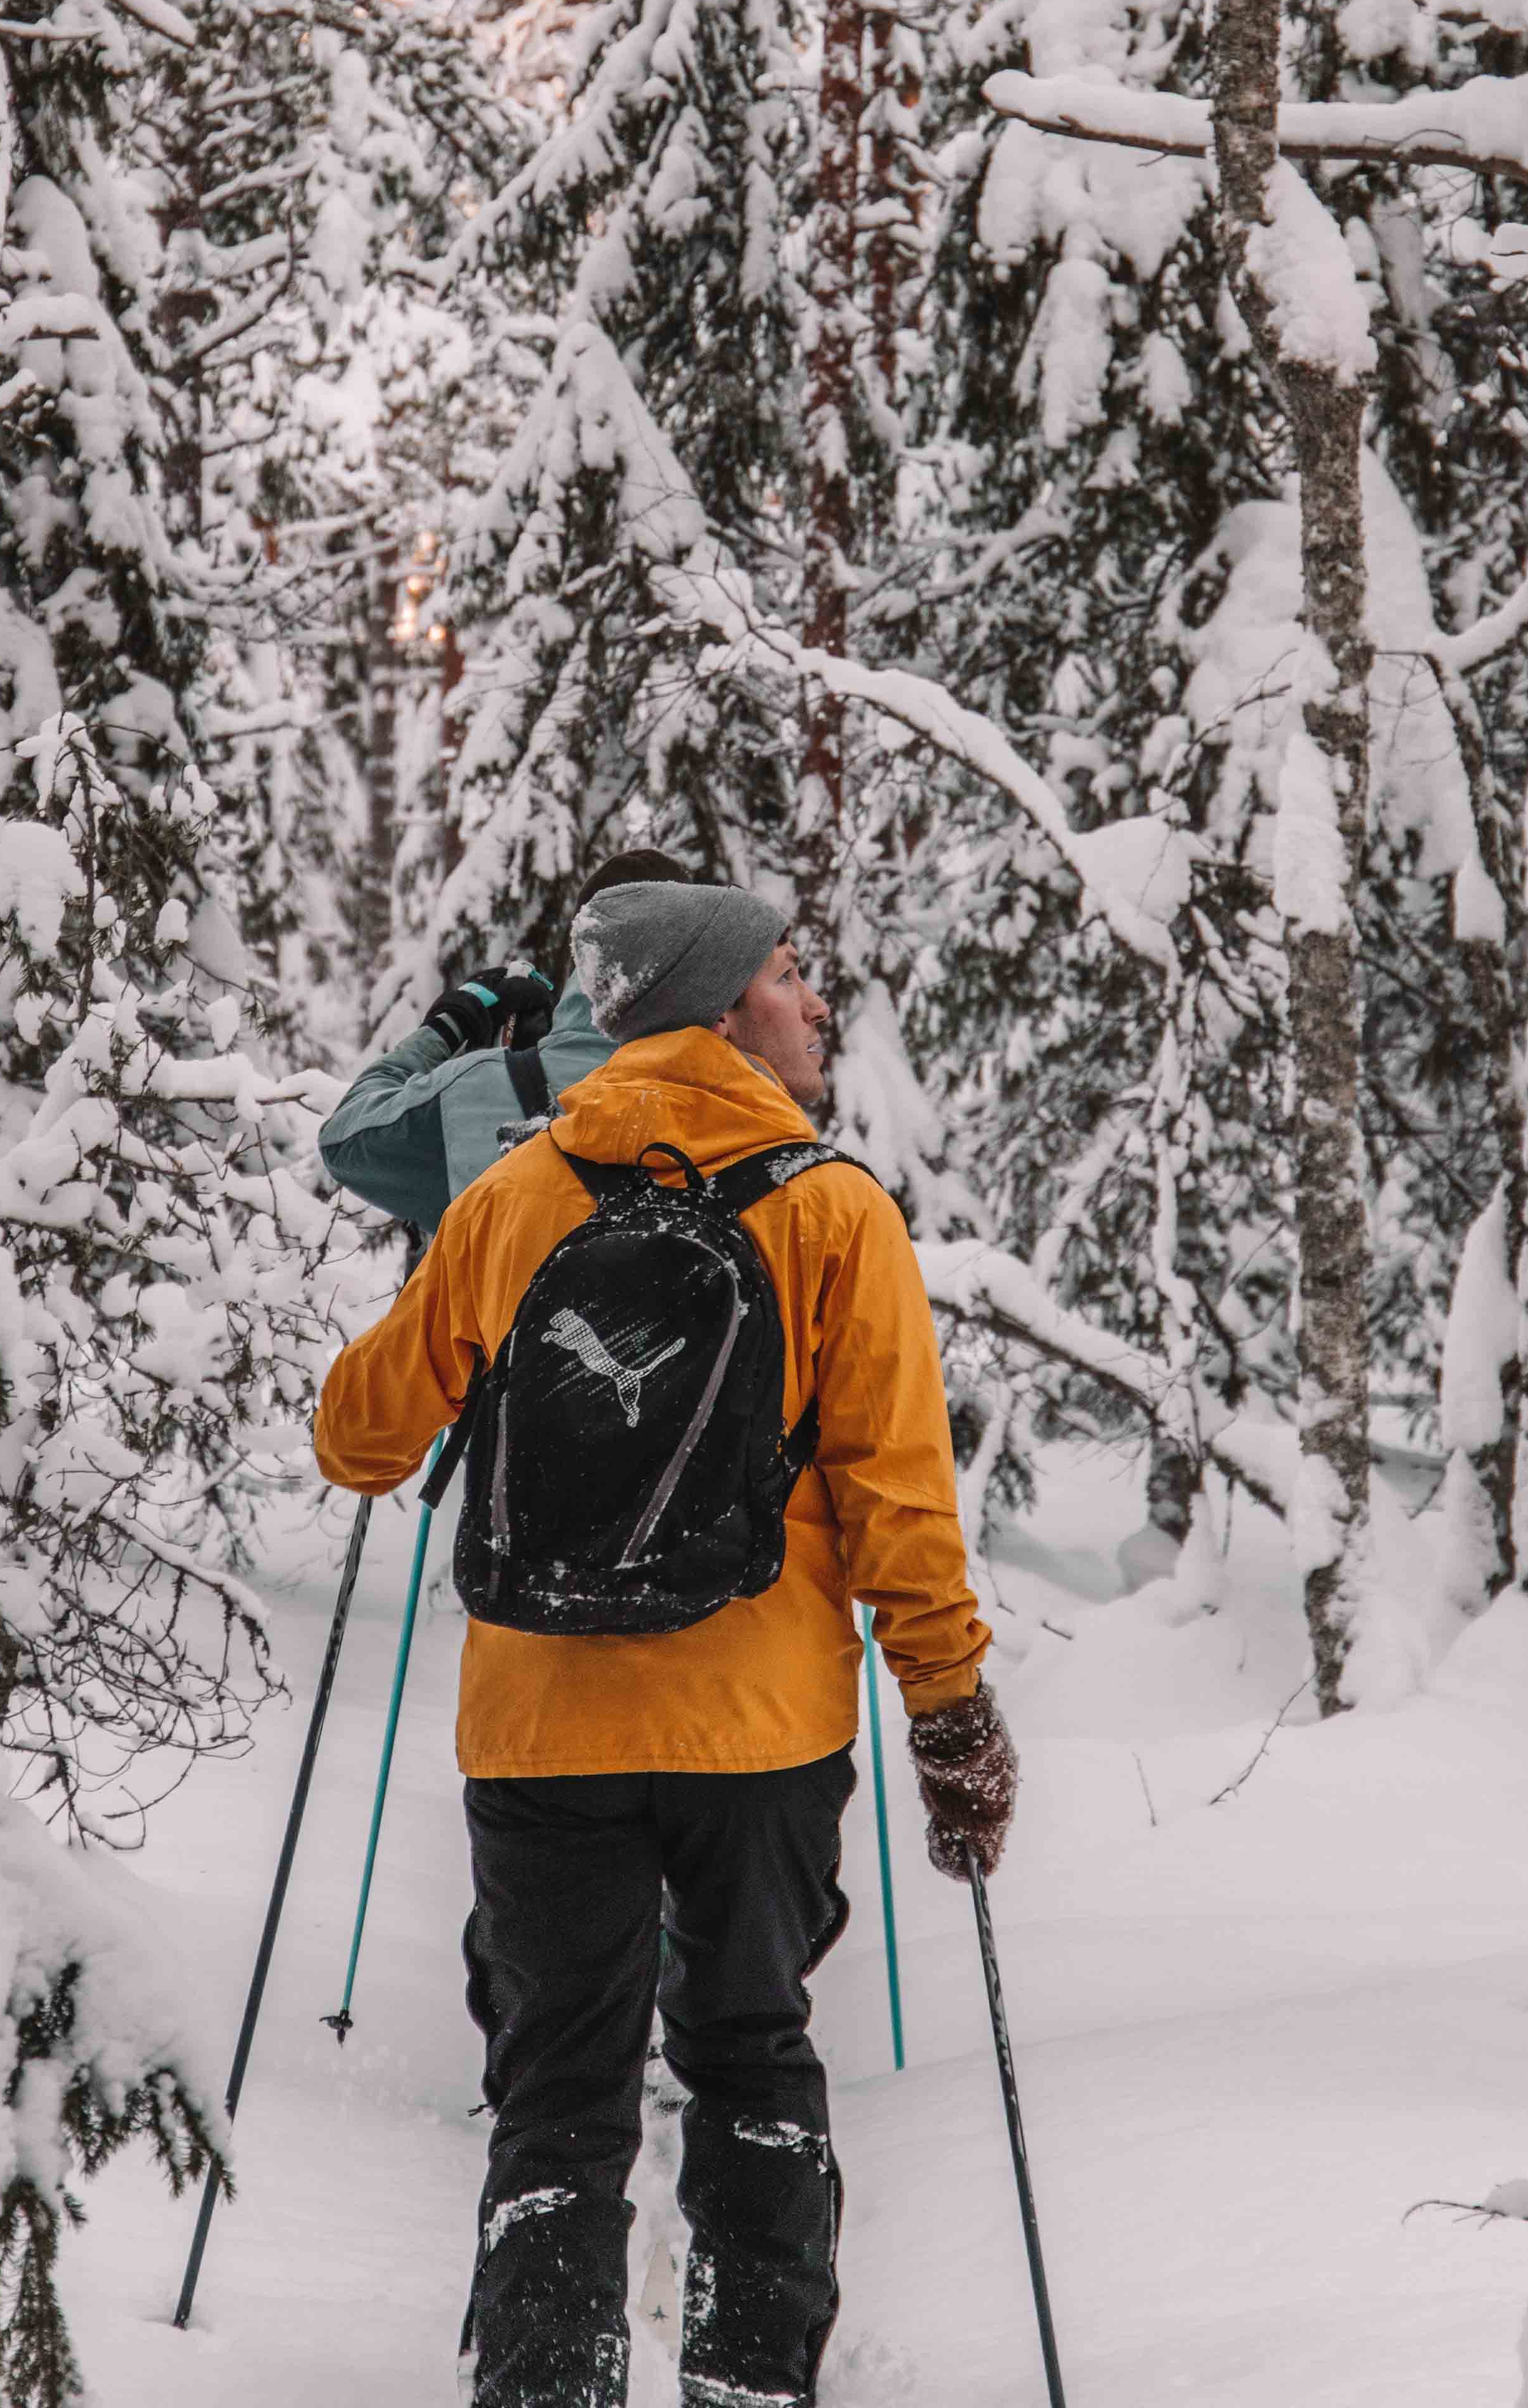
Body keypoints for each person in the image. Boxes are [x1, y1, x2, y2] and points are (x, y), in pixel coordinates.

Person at [313, 876, 1018, 2408]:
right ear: (714, 1008)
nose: (814, 998)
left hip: (539, 1730)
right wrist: (951, 1714)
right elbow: (899, 1504)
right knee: (750, 2051)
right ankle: (747, 2382)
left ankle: (547, 2383)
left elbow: (360, 1436)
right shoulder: (833, 1209)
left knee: (556, 2098)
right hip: (761, 1735)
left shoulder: (513, 1195)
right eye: (784, 971)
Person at [320, 849, 697, 1236]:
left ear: (582, 956)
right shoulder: (747, 1091)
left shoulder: (483, 1093)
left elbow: (343, 1139)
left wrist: (452, 1026)